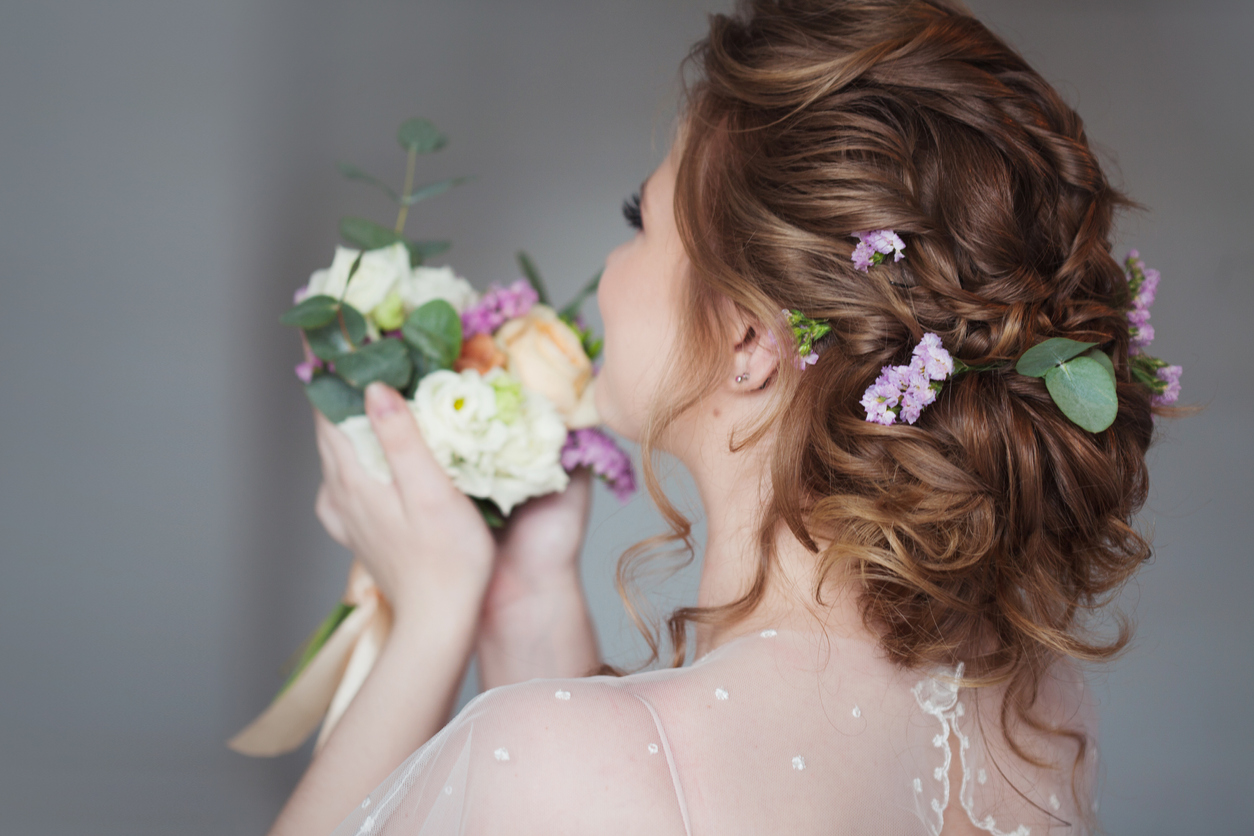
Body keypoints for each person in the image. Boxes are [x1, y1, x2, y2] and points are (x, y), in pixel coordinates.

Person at [268, 1, 1160, 833]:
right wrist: (525, 601)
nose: (610, 269)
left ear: (746, 336)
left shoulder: (562, 754)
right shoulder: (1036, 714)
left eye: (639, 220)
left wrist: (431, 613)